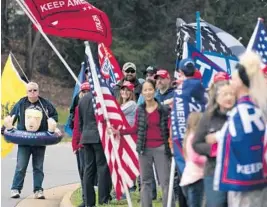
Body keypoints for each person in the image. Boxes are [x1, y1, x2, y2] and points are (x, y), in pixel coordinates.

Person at [213, 51, 267, 207]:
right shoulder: (254, 107)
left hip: (245, 180)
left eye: (234, 78)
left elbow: (238, 139)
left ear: (241, 82)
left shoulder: (243, 110)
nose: (230, 81)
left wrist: (216, 138)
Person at [111, 79, 175, 207]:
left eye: (150, 89)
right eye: (145, 90)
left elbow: (169, 127)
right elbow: (135, 128)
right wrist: (119, 131)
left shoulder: (163, 109)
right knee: (145, 181)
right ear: (142, 93)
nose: (148, 92)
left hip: (161, 148)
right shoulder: (140, 110)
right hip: (144, 149)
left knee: (165, 181)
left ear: (154, 90)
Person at [8, 82, 58, 199]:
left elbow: (54, 116)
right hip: (24, 141)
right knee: (21, 166)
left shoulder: (45, 104)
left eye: (35, 90)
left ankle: (38, 190)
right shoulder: (21, 103)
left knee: (38, 167)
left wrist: (52, 124)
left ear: (38, 91)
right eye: (30, 90)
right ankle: (15, 188)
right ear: (26, 92)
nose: (32, 93)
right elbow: (12, 116)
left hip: (40, 141)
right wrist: (6, 127)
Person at [192, 72, 234, 207]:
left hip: (236, 171)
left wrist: (219, 139)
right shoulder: (208, 117)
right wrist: (214, 149)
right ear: (216, 97)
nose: (229, 98)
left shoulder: (238, 115)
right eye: (224, 94)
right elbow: (196, 143)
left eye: (231, 94)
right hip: (214, 171)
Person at [79, 91, 112, 207]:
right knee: (102, 168)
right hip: (99, 137)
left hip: (86, 137)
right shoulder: (101, 98)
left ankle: (89, 202)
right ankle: (103, 199)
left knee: (88, 170)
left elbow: (81, 121)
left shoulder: (82, 99)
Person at [180, 112, 206, 207]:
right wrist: (208, 159)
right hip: (196, 177)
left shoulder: (188, 137)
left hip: (188, 177)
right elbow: (195, 158)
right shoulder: (194, 138)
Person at [72, 82, 90, 207]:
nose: (85, 94)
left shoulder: (97, 106)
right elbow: (76, 128)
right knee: (83, 172)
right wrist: (75, 145)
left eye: (88, 91)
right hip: (81, 145)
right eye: (83, 91)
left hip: (90, 144)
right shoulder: (78, 108)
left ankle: (89, 199)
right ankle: (85, 198)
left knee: (89, 173)